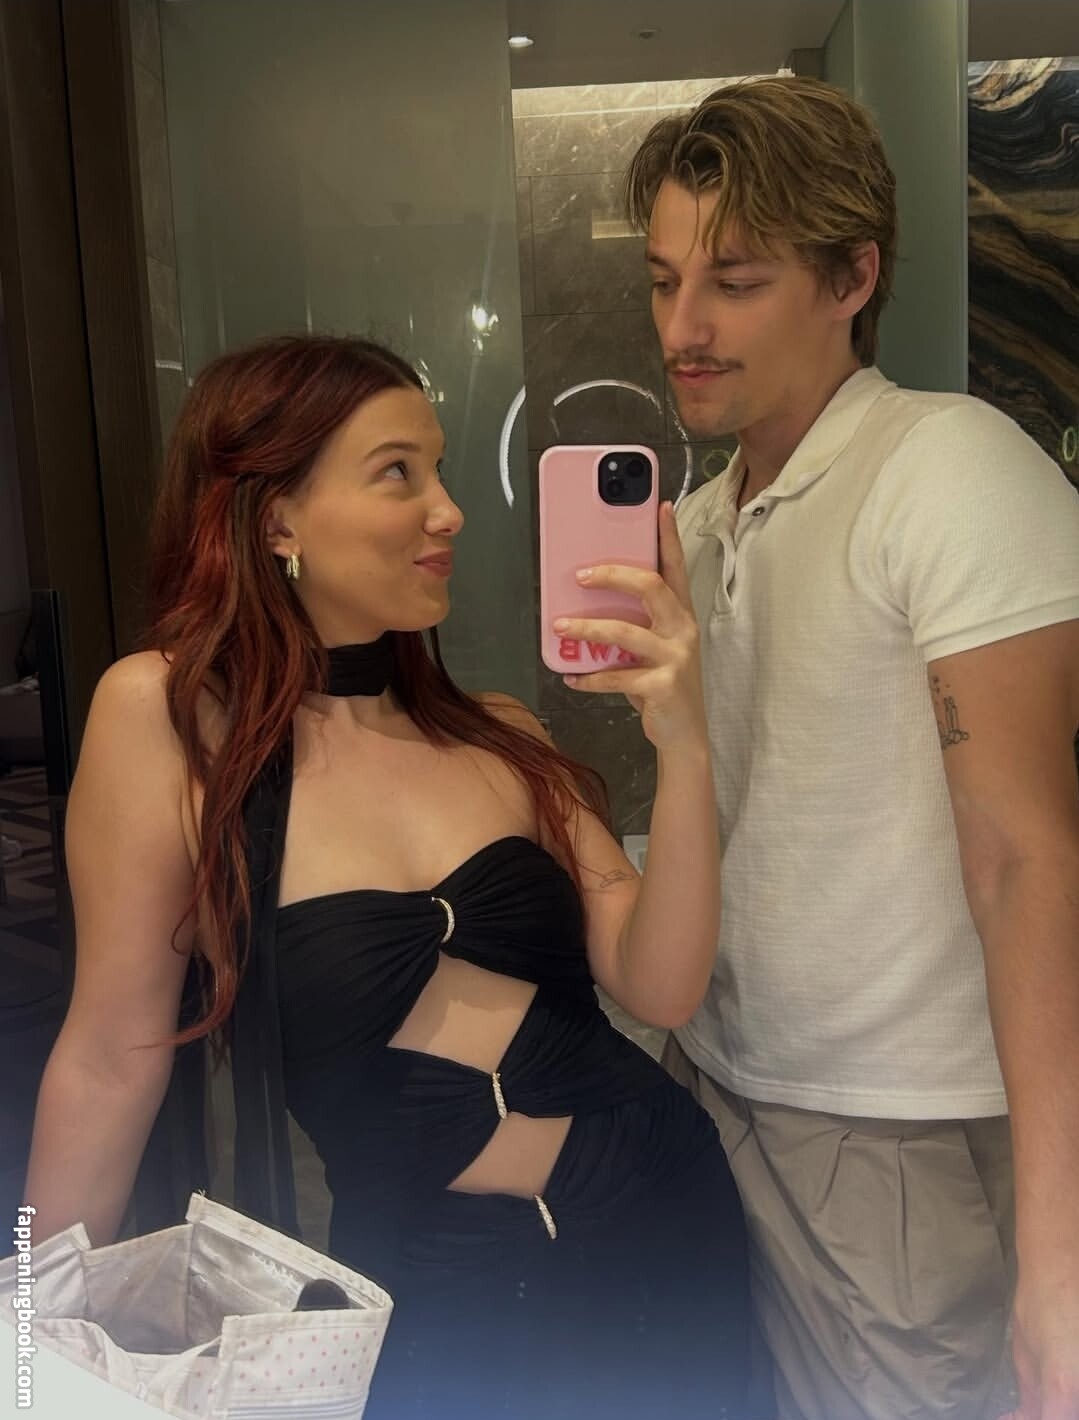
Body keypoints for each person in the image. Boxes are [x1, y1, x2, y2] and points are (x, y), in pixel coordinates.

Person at [21, 334, 751, 1418]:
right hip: (434, 1293)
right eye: (398, 472)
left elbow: (662, 986)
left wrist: (683, 742)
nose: (447, 511)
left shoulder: (498, 735)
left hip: (663, 1220)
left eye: (440, 469)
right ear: (276, 519)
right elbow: (107, 1059)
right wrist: (23, 1331)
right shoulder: (169, 718)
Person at [624, 74, 1079, 1420]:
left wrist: (1057, 1256)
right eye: (662, 283)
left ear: (851, 277)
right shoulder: (699, 523)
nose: (683, 331)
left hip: (894, 1126)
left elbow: (1025, 860)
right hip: (718, 1082)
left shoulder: (946, 467)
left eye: (734, 283)